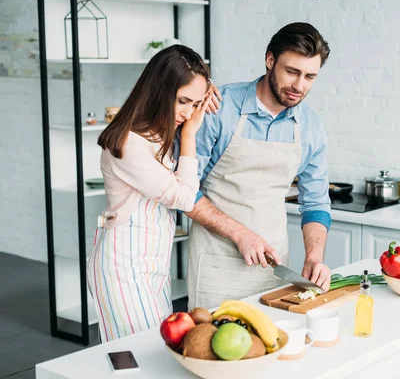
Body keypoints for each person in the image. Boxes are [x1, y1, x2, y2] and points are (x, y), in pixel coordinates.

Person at [180, 22, 333, 309]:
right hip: (217, 266)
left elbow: (315, 204)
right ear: (270, 60)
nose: (299, 86)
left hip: (274, 268)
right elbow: (183, 190)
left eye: (310, 76)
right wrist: (240, 234)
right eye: (292, 72)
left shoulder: (311, 127)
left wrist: (314, 257)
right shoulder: (218, 108)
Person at [87, 45, 219, 342]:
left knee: (155, 354)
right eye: (183, 101)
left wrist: (203, 92)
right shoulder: (129, 144)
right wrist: (189, 136)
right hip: (123, 267)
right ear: (159, 90)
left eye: (195, 104)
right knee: (138, 359)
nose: (188, 113)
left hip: (153, 265)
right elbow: (185, 199)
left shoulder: (159, 132)